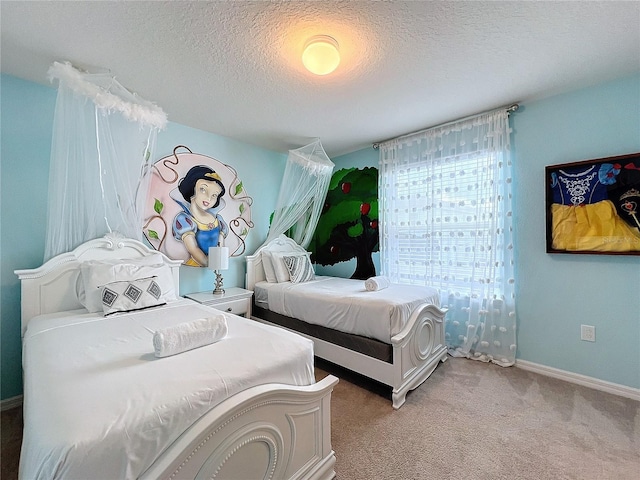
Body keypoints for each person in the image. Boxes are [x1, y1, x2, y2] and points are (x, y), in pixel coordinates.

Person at [171, 165, 228, 266]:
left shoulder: (218, 220)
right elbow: (193, 249)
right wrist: (210, 264)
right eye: (203, 189)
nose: (209, 198)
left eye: (214, 195)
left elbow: (220, 246)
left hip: (215, 265)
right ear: (192, 188)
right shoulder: (184, 220)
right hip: (200, 263)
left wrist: (219, 264)